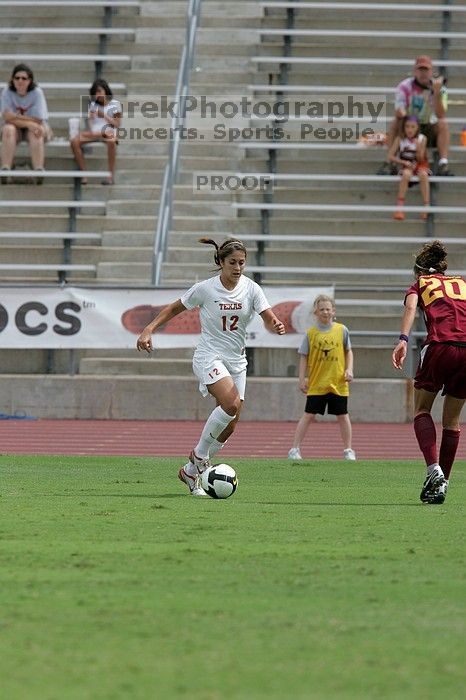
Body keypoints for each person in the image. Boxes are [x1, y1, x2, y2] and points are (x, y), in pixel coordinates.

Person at [136, 238, 286, 496]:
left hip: (237, 361)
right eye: (232, 262)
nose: (237, 268)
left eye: (242, 262)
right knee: (230, 403)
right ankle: (200, 457)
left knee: (230, 425)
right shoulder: (205, 289)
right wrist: (148, 329)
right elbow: (174, 308)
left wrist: (276, 325)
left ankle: (191, 472)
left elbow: (269, 317)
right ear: (220, 262)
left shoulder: (251, 289)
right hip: (209, 356)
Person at [392, 240, 466, 504]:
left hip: (441, 346)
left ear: (419, 272)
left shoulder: (420, 285)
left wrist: (402, 339)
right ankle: (442, 483)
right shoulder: (462, 284)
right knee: (452, 421)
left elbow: (411, 307)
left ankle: (432, 468)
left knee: (422, 409)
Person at [288, 294, 356, 462]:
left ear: (333, 311)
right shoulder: (311, 333)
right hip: (317, 383)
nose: (325, 312)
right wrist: (301, 378)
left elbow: (349, 351)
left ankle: (348, 449)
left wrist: (349, 369)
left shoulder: (342, 330)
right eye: (322, 309)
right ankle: (294, 449)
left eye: (328, 309)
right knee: (308, 415)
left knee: (343, 416)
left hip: (338, 383)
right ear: (315, 312)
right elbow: (303, 356)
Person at [377, 55, 452, 177]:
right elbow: (398, 109)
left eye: (426, 70)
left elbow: (441, 114)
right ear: (415, 71)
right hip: (410, 126)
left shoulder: (440, 88)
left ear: (431, 71)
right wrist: (405, 114)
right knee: (395, 121)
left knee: (443, 123)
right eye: (420, 70)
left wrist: (437, 93)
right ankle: (390, 162)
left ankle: (443, 163)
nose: (423, 73)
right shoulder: (404, 86)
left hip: (429, 127)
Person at [0, 63, 51, 184]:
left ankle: (38, 169)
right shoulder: (7, 91)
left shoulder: (37, 93)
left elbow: (39, 119)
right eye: (17, 78)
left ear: (30, 80)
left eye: (24, 78)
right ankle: (5, 169)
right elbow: (7, 117)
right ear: (12, 80)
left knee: (37, 131)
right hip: (15, 127)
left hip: (33, 127)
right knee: (8, 129)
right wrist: (28, 123)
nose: (20, 81)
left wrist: (16, 117)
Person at [70, 78, 122, 185]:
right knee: (74, 141)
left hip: (109, 131)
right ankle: (84, 174)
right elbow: (90, 125)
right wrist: (91, 119)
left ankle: (110, 176)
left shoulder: (115, 104)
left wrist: (104, 115)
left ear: (105, 91)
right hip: (95, 133)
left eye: (99, 91)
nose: (97, 95)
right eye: (95, 92)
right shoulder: (93, 105)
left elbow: (117, 124)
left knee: (111, 140)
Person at [387, 115, 430, 221]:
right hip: (407, 165)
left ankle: (426, 206)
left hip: (420, 165)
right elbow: (390, 156)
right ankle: (400, 207)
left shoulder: (422, 138)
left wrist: (418, 146)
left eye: (412, 127)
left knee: (423, 174)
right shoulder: (400, 139)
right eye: (407, 127)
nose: (410, 130)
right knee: (406, 174)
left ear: (417, 128)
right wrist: (403, 162)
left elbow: (421, 158)